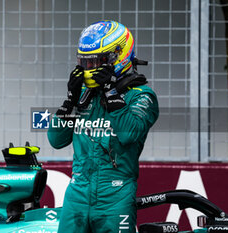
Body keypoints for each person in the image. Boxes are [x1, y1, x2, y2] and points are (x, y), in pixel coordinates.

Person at [47, 20, 159, 233]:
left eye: (96, 62)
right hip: (77, 196)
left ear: (118, 57)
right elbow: (56, 140)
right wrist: (69, 101)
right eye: (85, 63)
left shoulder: (142, 96)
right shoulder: (83, 95)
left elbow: (129, 135)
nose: (89, 68)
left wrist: (111, 93)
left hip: (115, 198)